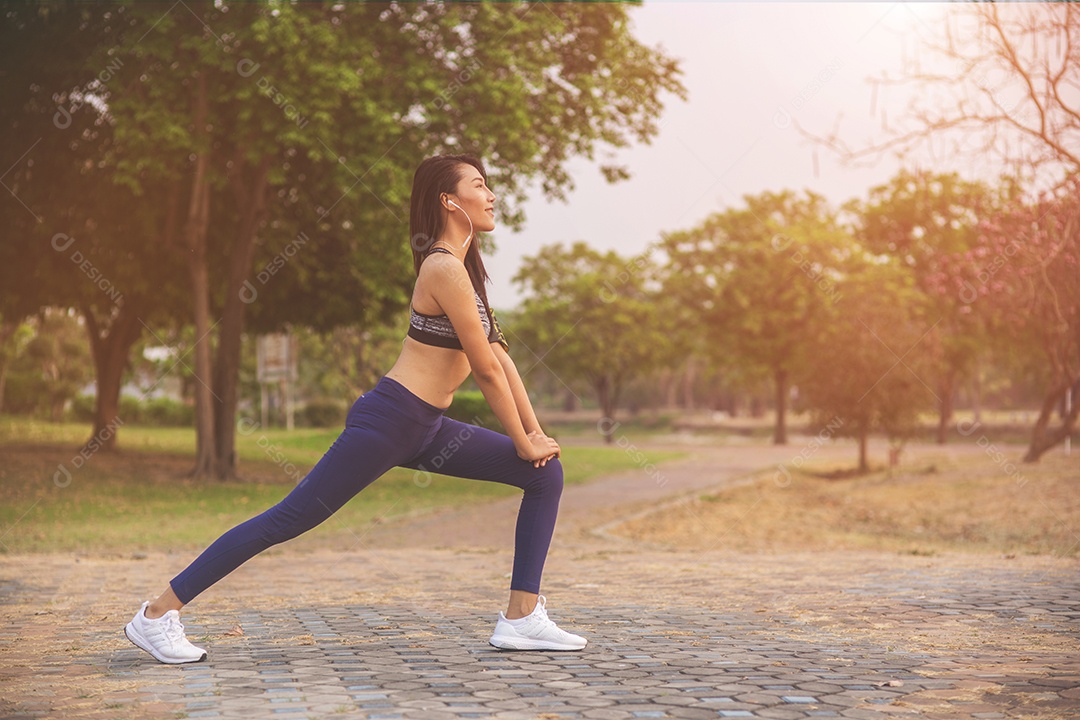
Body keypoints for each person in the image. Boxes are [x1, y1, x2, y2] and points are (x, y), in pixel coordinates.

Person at [124, 154, 587, 664]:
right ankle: (156, 615)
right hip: (389, 422)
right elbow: (486, 371)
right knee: (288, 519)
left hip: (425, 427)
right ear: (449, 201)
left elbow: (502, 356)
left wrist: (536, 437)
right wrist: (522, 440)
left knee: (545, 474)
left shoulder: (465, 272)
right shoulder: (442, 267)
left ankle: (521, 618)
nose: (492, 194)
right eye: (480, 184)